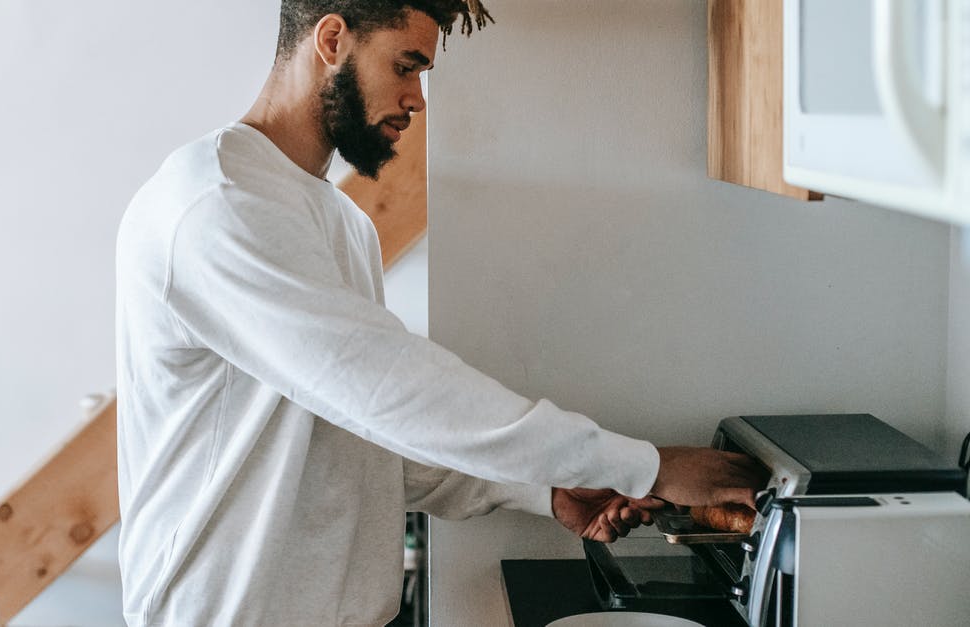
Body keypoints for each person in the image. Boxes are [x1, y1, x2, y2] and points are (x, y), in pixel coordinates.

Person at [114, 2, 763, 625]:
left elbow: (373, 444)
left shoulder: (345, 225)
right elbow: (392, 390)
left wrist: (541, 491)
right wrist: (646, 464)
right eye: (405, 66)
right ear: (333, 41)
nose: (418, 99)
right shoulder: (214, 203)